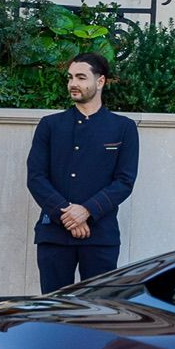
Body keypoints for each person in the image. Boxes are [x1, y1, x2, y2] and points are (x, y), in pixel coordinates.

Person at [26, 52, 140, 291]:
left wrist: (87, 210)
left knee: (97, 310)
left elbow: (124, 181)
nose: (73, 84)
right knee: (54, 309)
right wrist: (67, 215)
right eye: (70, 78)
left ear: (100, 82)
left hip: (101, 236)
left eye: (80, 77)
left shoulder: (124, 128)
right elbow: (36, 177)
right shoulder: (50, 125)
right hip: (54, 235)